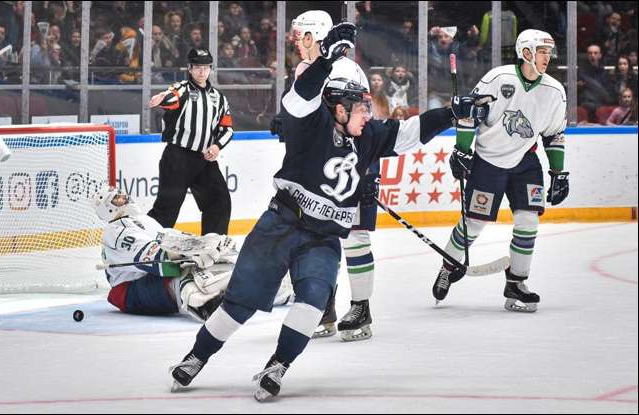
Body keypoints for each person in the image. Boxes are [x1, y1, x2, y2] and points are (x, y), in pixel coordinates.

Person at [167, 22, 488, 401]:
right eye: (361, 106)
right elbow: (296, 100)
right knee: (240, 304)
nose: (368, 113)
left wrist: (452, 113)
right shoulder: (309, 125)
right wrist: (324, 60)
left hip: (322, 240)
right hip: (280, 225)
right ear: (338, 107)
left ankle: (278, 364)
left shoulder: (368, 135)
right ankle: (196, 357)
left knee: (313, 301)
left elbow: (409, 130)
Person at [432, 29, 569, 313]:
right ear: (526, 53)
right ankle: (448, 267)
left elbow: (554, 134)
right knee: (473, 225)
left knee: (529, 222)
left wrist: (558, 172)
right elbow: (469, 112)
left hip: (525, 162)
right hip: (488, 161)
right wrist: (462, 150)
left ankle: (516, 283)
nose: (547, 58)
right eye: (542, 52)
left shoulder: (554, 91)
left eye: (549, 53)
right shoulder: (498, 79)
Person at [284, 10, 379, 342]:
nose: (295, 42)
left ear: (312, 37)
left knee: (355, 235)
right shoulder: (303, 69)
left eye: (299, 36)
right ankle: (324, 306)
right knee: (317, 236)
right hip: (320, 165)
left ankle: (361, 307)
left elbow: (363, 119)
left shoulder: (346, 68)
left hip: (353, 161)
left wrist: (366, 171)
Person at [92, 186, 292, 320]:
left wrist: (205, 242)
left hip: (146, 280)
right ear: (108, 208)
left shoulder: (142, 220)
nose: (124, 197)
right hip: (129, 291)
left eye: (121, 194)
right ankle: (204, 306)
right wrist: (189, 253)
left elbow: (169, 237)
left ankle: (275, 292)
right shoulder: (115, 230)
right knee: (182, 274)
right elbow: (155, 259)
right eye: (117, 198)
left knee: (220, 263)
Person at [148, 47, 233, 235]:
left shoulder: (219, 98)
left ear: (210, 68)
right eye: (197, 67)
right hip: (177, 158)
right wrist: (162, 98)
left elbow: (227, 129)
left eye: (205, 67)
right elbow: (172, 98)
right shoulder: (182, 88)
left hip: (204, 161)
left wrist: (217, 146)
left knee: (219, 202)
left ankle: (213, 245)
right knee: (167, 209)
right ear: (190, 68)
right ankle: (146, 244)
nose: (201, 72)